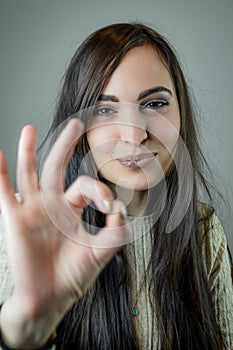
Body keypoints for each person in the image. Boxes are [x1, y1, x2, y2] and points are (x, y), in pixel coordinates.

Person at [0, 22, 232, 350]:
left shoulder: (203, 230)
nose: (134, 135)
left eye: (155, 104)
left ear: (181, 113)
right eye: (105, 109)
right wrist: (24, 329)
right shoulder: (24, 226)